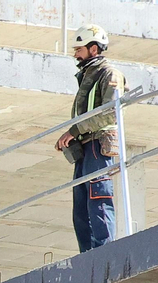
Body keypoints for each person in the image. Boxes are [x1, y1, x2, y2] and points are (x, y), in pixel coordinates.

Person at [54, 25, 127, 252]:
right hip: (84, 148)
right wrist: (72, 137)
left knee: (98, 198)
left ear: (93, 49)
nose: (75, 54)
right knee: (81, 207)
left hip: (97, 146)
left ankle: (104, 252)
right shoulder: (87, 76)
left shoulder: (109, 74)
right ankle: (87, 257)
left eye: (79, 49)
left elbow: (109, 112)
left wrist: (73, 132)